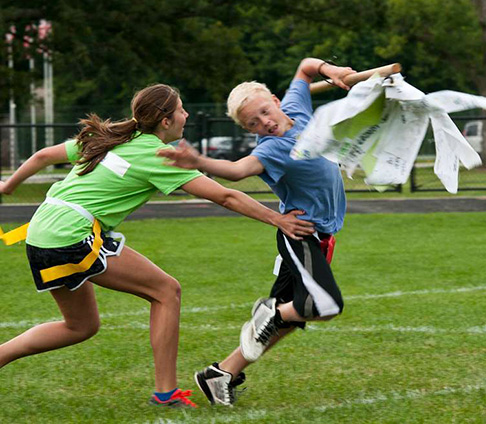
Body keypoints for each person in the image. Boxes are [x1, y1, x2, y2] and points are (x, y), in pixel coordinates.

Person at [0, 84, 315, 408]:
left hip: (42, 231)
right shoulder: (156, 156)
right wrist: (279, 219)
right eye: (180, 109)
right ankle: (166, 394)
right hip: (71, 234)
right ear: (165, 120)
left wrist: (8, 186)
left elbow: (41, 156)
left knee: (81, 326)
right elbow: (225, 195)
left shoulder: (112, 138)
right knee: (166, 291)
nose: (186, 114)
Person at [158, 58, 356, 406]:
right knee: (324, 305)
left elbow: (306, 67)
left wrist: (332, 72)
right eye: (254, 123)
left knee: (291, 320)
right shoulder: (272, 147)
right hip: (300, 234)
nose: (265, 123)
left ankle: (220, 375)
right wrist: (201, 163)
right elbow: (237, 170)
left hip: (321, 236)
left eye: (266, 112)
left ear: (277, 102)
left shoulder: (297, 106)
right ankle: (272, 310)